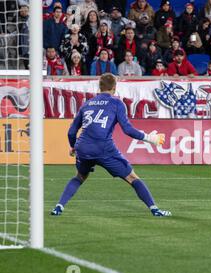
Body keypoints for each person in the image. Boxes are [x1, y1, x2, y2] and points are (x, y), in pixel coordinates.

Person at [51, 73, 171, 217]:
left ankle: (59, 207)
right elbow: (127, 130)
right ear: (115, 87)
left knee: (79, 177)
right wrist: (150, 138)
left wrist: (73, 147)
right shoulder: (116, 103)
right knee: (132, 178)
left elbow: (71, 132)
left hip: (83, 147)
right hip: (104, 148)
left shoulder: (87, 104)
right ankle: (155, 210)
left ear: (99, 87)